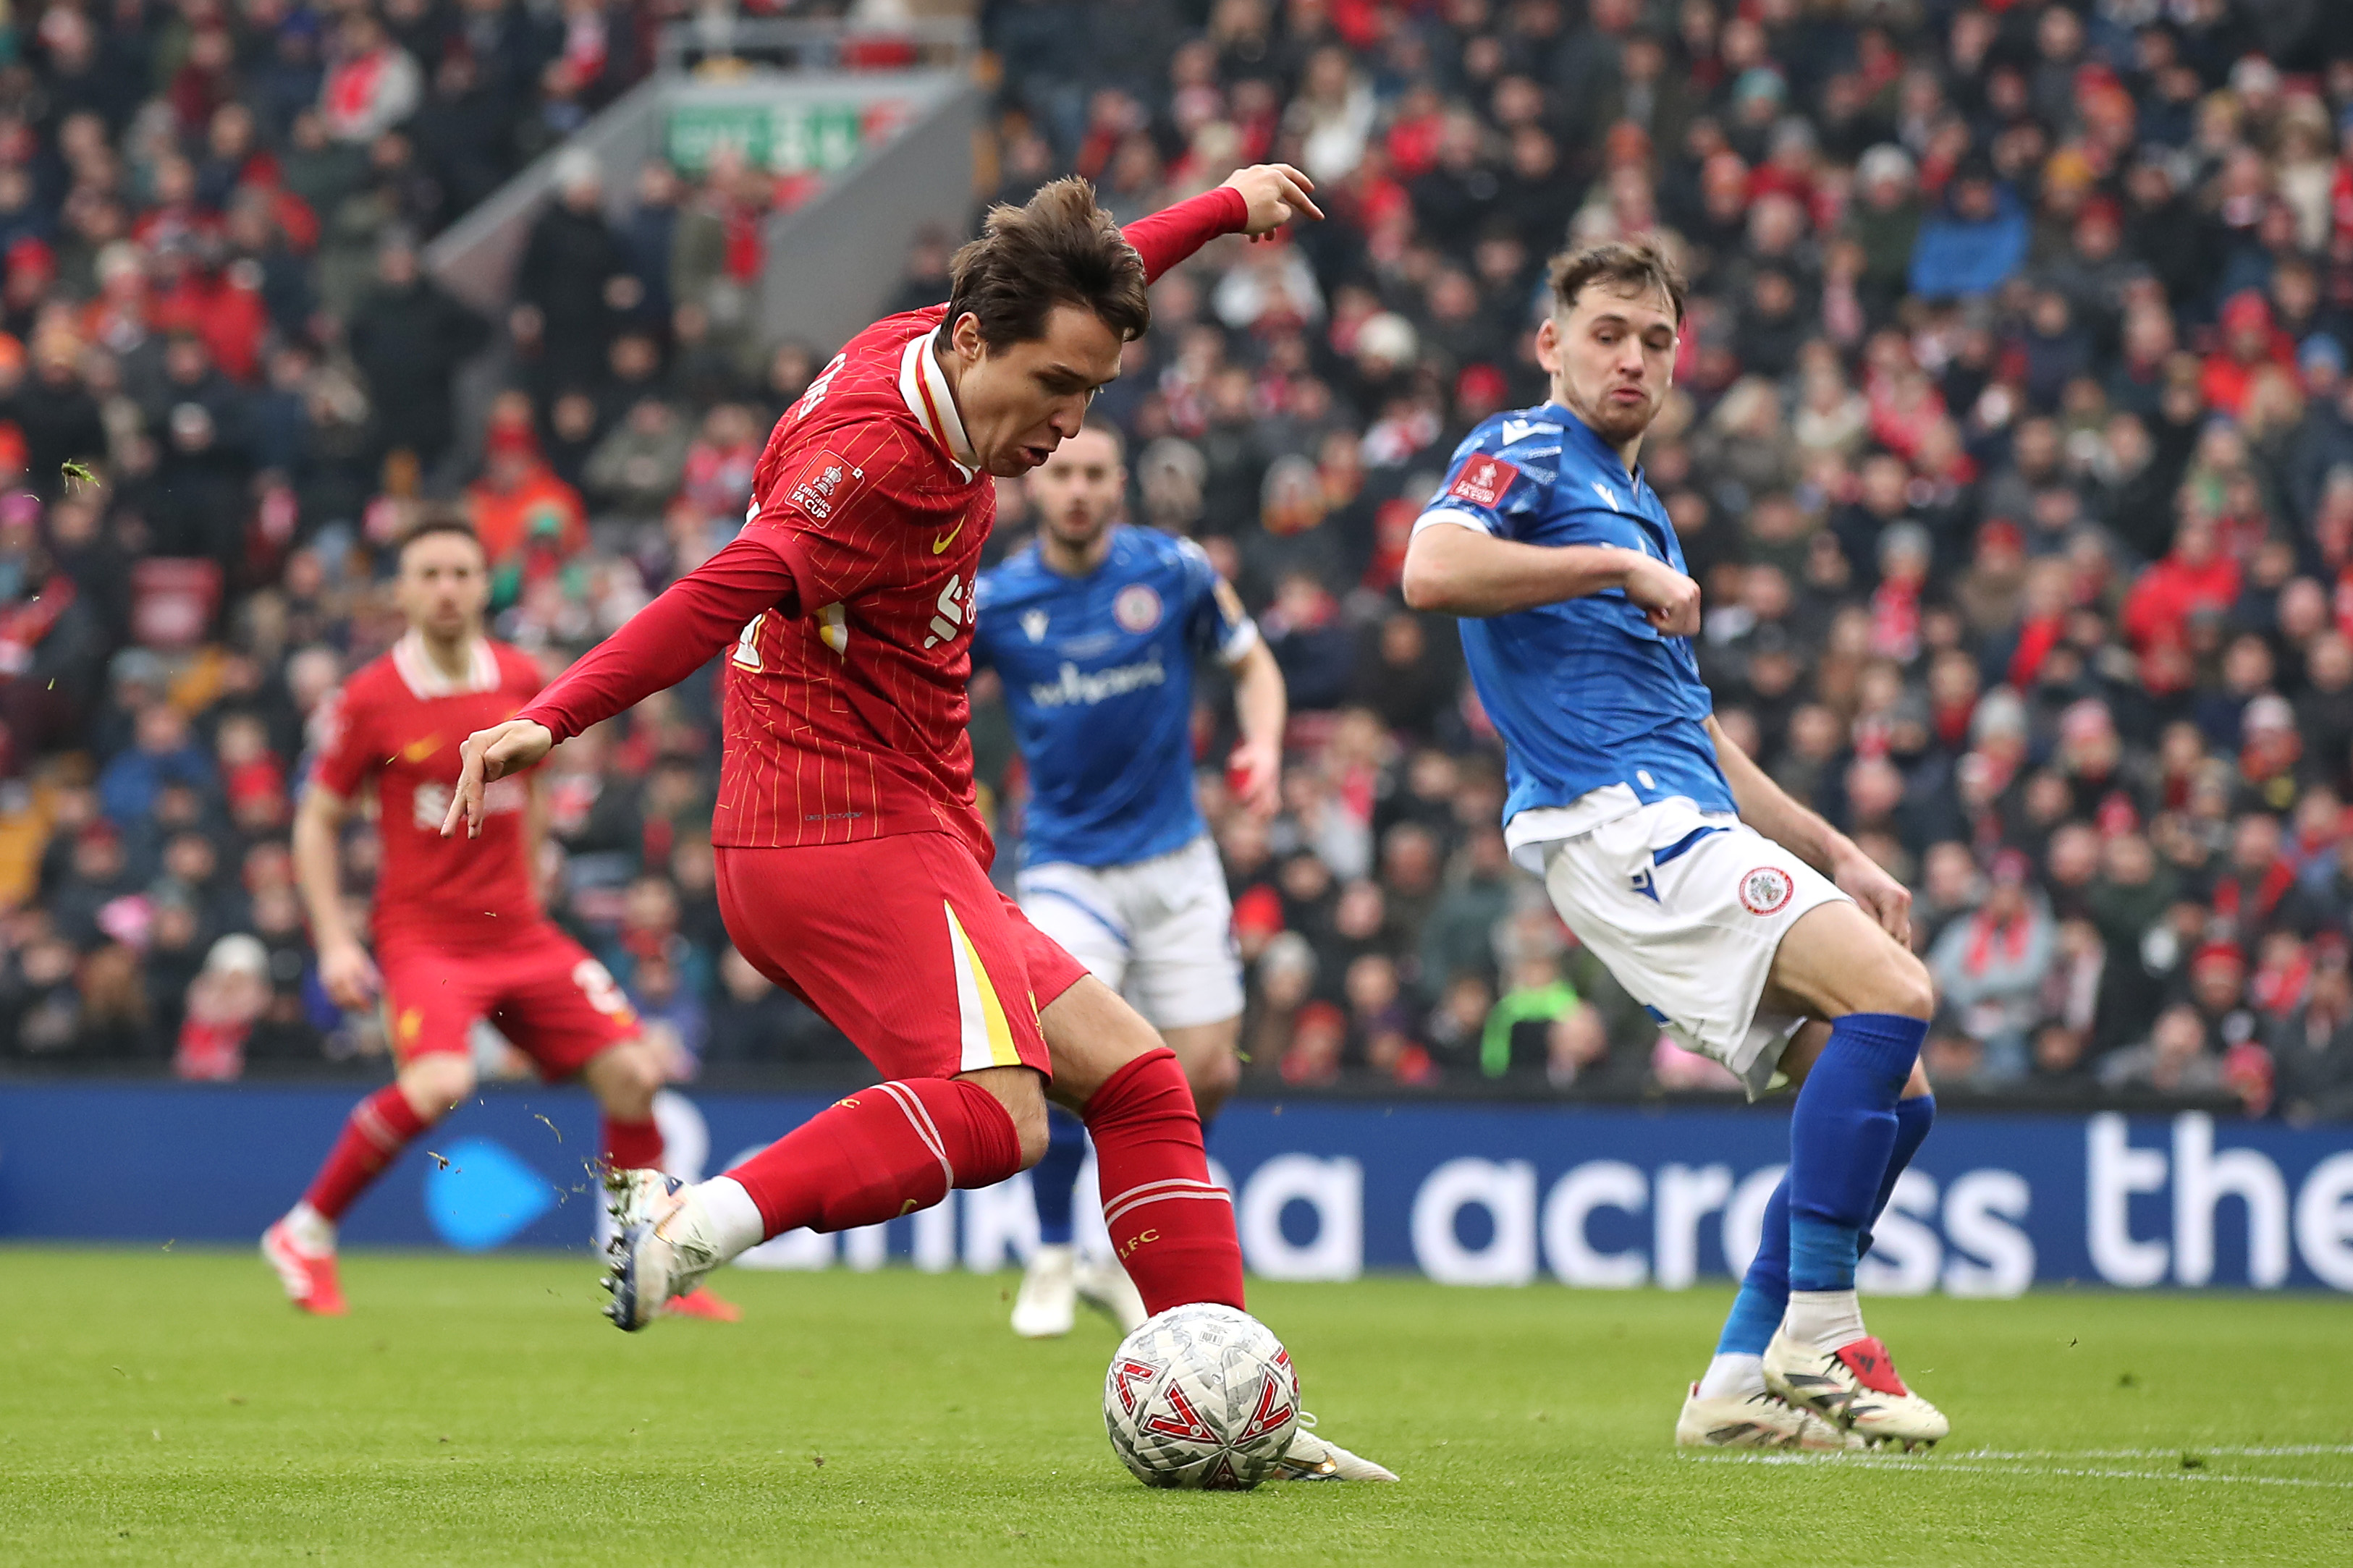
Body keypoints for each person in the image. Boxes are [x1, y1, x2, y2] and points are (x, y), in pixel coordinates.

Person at [440, 169, 1393, 1481]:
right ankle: (678, 1226)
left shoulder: (944, 339)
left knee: (1139, 1077)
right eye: (1056, 390)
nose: (1068, 424)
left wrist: (1222, 208)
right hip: (835, 823)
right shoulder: (873, 468)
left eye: (1092, 394)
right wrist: (553, 715)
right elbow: (726, 585)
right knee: (1004, 1120)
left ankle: (1229, 1395)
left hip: (893, 820)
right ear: (972, 344)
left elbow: (1085, 273)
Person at [1401, 237, 1946, 1453]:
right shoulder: (1528, 450)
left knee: (1899, 1098)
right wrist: (1611, 561)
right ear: (1552, 343)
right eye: (1605, 331)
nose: (1632, 356)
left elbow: (1697, 735)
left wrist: (1837, 849)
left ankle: (1740, 1380)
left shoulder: (1643, 507)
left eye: (1654, 338)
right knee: (1896, 992)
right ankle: (1821, 1327)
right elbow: (1429, 569)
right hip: (1612, 820)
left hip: (1676, 805)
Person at [261, 518, 735, 1324]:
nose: (447, 588)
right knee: (443, 1080)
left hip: (519, 931)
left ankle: (641, 1260)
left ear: (486, 585)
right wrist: (337, 940)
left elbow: (538, 778)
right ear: (402, 591)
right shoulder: (369, 698)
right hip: (426, 938)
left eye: (461, 572)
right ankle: (304, 1231)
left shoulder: (521, 674)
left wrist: (537, 863)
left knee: (633, 1073)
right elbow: (315, 820)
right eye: (429, 573)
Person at [971, 420, 1286, 1339]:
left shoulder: (1173, 571)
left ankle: (1124, 1236)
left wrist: (1262, 744)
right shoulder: (998, 600)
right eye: (1061, 471)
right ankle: (1053, 1251)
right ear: (1035, 485)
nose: (1075, 488)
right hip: (1068, 862)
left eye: (1094, 474)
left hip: (1176, 855)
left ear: (1120, 487)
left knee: (1210, 1072)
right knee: (1075, 1054)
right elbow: (935, 697)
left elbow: (1251, 661)